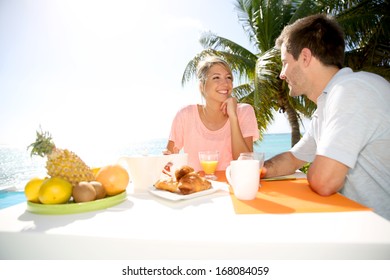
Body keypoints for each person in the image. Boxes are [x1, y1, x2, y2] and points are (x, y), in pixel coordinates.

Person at [262, 14, 390, 220]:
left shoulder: (352, 89)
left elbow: (324, 181)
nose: (282, 74)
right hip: (361, 226)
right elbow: (293, 158)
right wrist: (255, 170)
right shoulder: (327, 104)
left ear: (305, 57)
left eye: (285, 63)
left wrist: (319, 166)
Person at [164, 56, 259, 171]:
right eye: (216, 77)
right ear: (202, 86)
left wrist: (233, 117)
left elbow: (245, 164)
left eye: (228, 77)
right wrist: (166, 162)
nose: (225, 83)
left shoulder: (244, 111)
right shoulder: (185, 115)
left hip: (233, 187)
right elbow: (168, 161)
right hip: (197, 187)